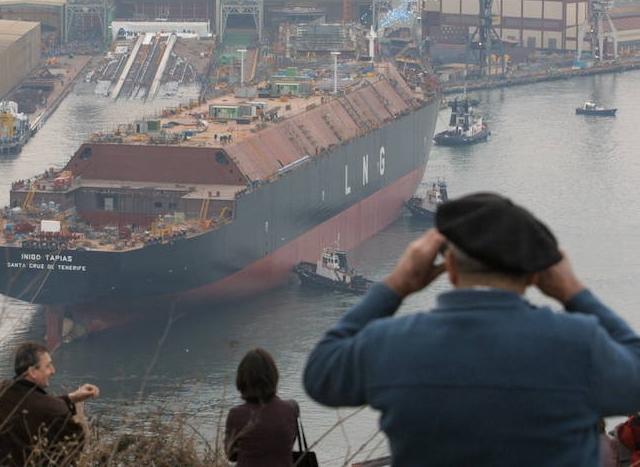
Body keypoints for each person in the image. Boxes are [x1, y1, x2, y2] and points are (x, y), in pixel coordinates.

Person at [303, 193, 640, 466]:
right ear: (536, 273)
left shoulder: (393, 342)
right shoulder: (577, 341)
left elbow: (320, 376)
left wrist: (395, 286)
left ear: (448, 266)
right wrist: (574, 292)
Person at [0, 341, 99, 467]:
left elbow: (33, 405)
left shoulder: (1, 391)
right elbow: (75, 447)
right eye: (48, 366)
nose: (53, 370)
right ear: (32, 372)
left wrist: (72, 398)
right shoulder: (55, 410)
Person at [224, 348, 298, 467]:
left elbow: (231, 455)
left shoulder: (236, 414)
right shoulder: (290, 409)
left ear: (242, 379)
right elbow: (288, 444)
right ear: (273, 376)